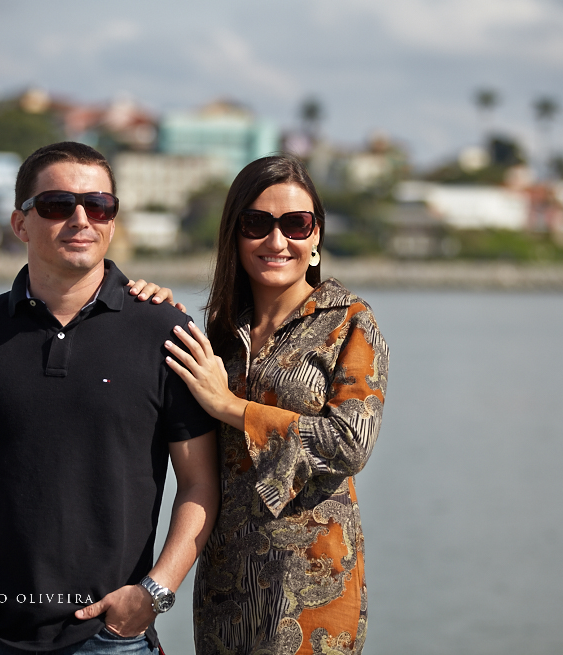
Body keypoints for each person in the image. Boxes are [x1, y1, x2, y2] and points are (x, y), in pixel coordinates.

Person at [0, 141, 219, 654]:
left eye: (99, 206)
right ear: (20, 223)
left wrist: (156, 592)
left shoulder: (166, 331)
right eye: (56, 205)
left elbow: (200, 482)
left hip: (112, 638)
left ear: (113, 220)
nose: (81, 219)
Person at [132, 154, 389, 655]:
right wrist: (150, 310)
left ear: (316, 238)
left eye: (296, 224)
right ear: (234, 235)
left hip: (313, 585)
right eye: (257, 224)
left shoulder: (349, 321)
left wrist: (230, 406)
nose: (277, 241)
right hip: (226, 578)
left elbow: (351, 442)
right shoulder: (221, 334)